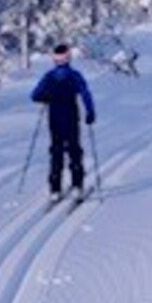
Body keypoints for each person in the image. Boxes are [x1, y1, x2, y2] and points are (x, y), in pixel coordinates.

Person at [31, 41, 96, 202]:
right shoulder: (74, 75)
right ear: (68, 58)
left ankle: (55, 189)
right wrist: (90, 112)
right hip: (71, 118)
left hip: (54, 119)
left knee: (56, 152)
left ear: (54, 59)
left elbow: (35, 95)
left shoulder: (49, 77)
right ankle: (77, 187)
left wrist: (46, 97)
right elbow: (86, 94)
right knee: (74, 151)